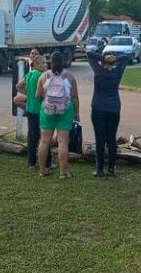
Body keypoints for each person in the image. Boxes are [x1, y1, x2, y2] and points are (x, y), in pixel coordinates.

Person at [36, 50, 80, 179]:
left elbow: (38, 95)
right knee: (62, 143)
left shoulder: (44, 76)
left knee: (44, 142)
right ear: (63, 61)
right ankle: (63, 172)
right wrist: (76, 113)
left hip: (47, 112)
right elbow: (75, 97)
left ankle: (43, 170)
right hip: (65, 112)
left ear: (51, 61)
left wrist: (46, 102)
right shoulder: (70, 77)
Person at [88, 50, 130, 177]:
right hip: (114, 109)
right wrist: (115, 59)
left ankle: (100, 169)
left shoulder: (99, 71)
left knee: (99, 139)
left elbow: (89, 54)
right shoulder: (117, 72)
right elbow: (127, 57)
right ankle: (111, 169)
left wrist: (104, 58)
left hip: (98, 108)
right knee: (111, 139)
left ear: (103, 62)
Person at [16, 53, 50, 169]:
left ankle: (31, 163)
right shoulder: (43, 76)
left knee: (32, 137)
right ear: (37, 64)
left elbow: (18, 86)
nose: (46, 65)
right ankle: (47, 163)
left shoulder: (29, 75)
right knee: (45, 138)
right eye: (44, 63)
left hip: (30, 110)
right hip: (40, 110)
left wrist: (28, 93)